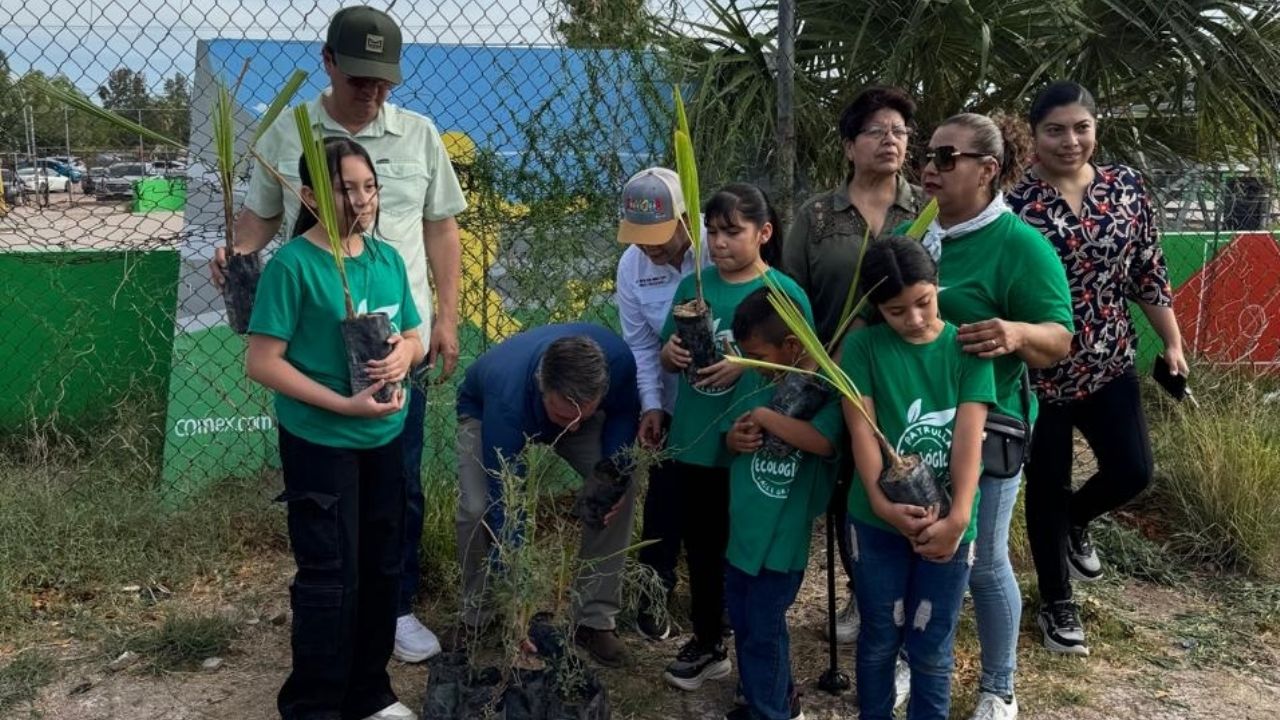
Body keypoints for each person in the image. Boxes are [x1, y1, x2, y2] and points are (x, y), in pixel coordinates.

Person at [209, 5, 467, 663]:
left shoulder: (418, 135)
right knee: (328, 487)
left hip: (394, 339)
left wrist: (443, 320)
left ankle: (396, 606)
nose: (373, 92)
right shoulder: (289, 136)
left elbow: (441, 226)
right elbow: (262, 220)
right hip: (323, 344)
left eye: (384, 81)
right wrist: (234, 252)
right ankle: (337, 601)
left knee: (399, 481)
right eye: (360, 79)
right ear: (327, 63)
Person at [246, 138, 424, 720]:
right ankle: (315, 703)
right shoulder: (294, 266)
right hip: (322, 444)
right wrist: (341, 406)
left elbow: (413, 334)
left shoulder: (386, 259)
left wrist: (404, 356)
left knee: (381, 566)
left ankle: (370, 691)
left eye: (368, 187)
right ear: (310, 195)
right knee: (330, 575)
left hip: (384, 441)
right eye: (346, 188)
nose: (361, 200)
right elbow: (263, 361)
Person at [1008, 81, 1187, 657]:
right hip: (1036, 372)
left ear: (1095, 128)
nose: (1070, 140)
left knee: (1133, 470)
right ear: (1034, 136)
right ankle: (1057, 602)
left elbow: (1148, 272)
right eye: (1055, 129)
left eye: (1081, 127)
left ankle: (1075, 521)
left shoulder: (1125, 187)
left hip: (1110, 360)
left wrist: (1173, 343)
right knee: (1046, 485)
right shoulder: (1013, 200)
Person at [910, 112, 1075, 720]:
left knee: (982, 558)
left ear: (988, 170)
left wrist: (1014, 332)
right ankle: (918, 651)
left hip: (989, 427)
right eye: (928, 155)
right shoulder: (918, 231)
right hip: (915, 422)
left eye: (947, 158)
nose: (930, 166)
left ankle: (999, 685)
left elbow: (1059, 338)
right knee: (919, 547)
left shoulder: (1019, 245)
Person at [783, 84, 926, 648]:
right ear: (849, 146)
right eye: (875, 132)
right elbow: (791, 293)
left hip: (908, 369)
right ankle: (864, 593)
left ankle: (915, 587)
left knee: (908, 471)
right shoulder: (818, 216)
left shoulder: (926, 207)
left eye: (898, 131)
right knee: (852, 483)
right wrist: (808, 355)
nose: (889, 141)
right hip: (837, 372)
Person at [658, 183, 810, 691]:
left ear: (764, 233)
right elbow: (665, 349)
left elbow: (805, 370)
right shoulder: (693, 287)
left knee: (751, 554)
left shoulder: (785, 295)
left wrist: (741, 365)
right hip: (697, 440)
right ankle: (707, 641)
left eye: (732, 232)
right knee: (701, 546)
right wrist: (673, 357)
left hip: (754, 445)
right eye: (713, 232)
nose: (719, 243)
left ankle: (759, 665)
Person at [840, 235, 994, 720]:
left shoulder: (965, 348)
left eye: (924, 303)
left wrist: (959, 518)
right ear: (877, 309)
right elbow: (862, 431)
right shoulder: (863, 348)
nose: (915, 319)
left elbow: (970, 438)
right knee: (880, 636)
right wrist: (881, 503)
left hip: (948, 527)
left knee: (931, 645)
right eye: (896, 311)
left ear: (936, 286)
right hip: (876, 522)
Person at [454, 323, 640, 668]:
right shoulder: (507, 396)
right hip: (485, 411)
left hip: (568, 406)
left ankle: (593, 619)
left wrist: (612, 475)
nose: (573, 427)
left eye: (583, 412)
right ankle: (479, 615)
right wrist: (518, 602)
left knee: (620, 493)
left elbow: (624, 414)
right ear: (543, 387)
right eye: (564, 415)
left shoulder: (617, 363)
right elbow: (506, 502)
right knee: (477, 509)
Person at [720, 287, 839, 720]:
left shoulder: (825, 388)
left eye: (758, 355)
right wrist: (735, 438)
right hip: (743, 532)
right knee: (747, 624)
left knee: (765, 629)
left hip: (781, 540)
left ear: (790, 347)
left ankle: (771, 711)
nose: (753, 364)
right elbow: (730, 434)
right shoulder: (759, 377)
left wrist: (769, 418)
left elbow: (824, 442)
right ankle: (775, 696)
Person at [614, 167, 711, 641]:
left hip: (726, 397)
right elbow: (638, 345)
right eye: (639, 236)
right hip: (674, 399)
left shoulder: (718, 246)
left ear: (686, 218)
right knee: (666, 500)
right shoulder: (632, 266)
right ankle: (653, 595)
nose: (649, 246)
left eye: (658, 234)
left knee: (718, 503)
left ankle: (718, 602)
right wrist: (651, 405)